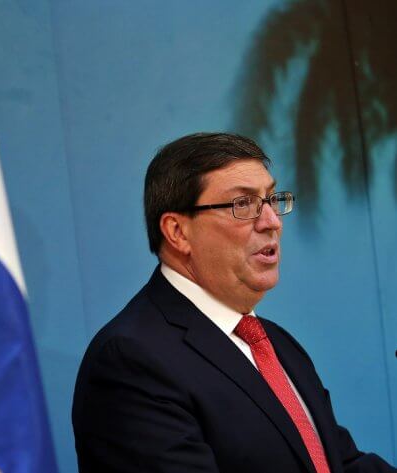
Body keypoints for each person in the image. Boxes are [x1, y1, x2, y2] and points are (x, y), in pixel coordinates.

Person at [71, 133, 396, 472]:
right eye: (243, 204)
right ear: (177, 231)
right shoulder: (132, 359)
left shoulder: (277, 343)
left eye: (271, 200)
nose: (272, 222)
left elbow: (341, 464)